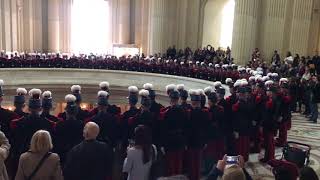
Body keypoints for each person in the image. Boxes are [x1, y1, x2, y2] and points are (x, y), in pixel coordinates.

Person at [55, 94, 84, 164]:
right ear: (76, 112)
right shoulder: (81, 124)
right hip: (78, 154)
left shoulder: (59, 124)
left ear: (66, 112)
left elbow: (57, 142)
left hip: (63, 155)